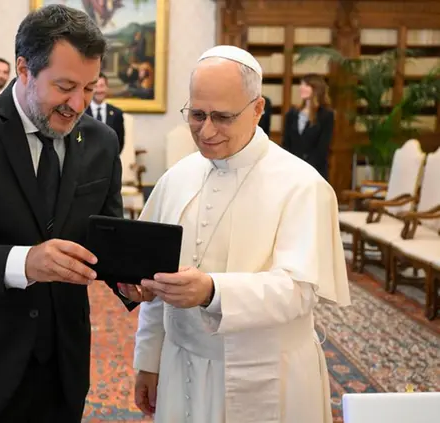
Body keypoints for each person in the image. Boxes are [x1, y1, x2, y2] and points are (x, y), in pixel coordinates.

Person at [0, 5, 138, 423]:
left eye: (89, 88)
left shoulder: (102, 142)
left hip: (62, 365)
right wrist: (25, 262)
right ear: (24, 70)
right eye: (65, 87)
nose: (78, 104)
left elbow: (106, 238)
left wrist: (130, 280)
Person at [122, 45, 351, 423]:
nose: (206, 130)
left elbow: (299, 291)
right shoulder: (176, 178)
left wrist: (212, 291)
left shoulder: (302, 185)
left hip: (267, 373)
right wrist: (148, 359)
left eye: (223, 117)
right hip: (182, 364)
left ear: (258, 109)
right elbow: (154, 275)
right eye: (197, 115)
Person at [282, 73, 334, 180]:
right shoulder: (292, 113)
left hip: (314, 172)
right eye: (301, 84)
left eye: (306, 85)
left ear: (316, 89)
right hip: (292, 171)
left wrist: (304, 168)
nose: (301, 88)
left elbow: (322, 148)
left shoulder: (326, 115)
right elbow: (286, 144)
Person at [84, 72, 125, 153]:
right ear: (91, 89)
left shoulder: (117, 114)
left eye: (102, 86)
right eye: (96, 86)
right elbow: (77, 139)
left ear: (107, 88)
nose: (99, 90)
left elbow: (119, 142)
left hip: (109, 158)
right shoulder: (82, 112)